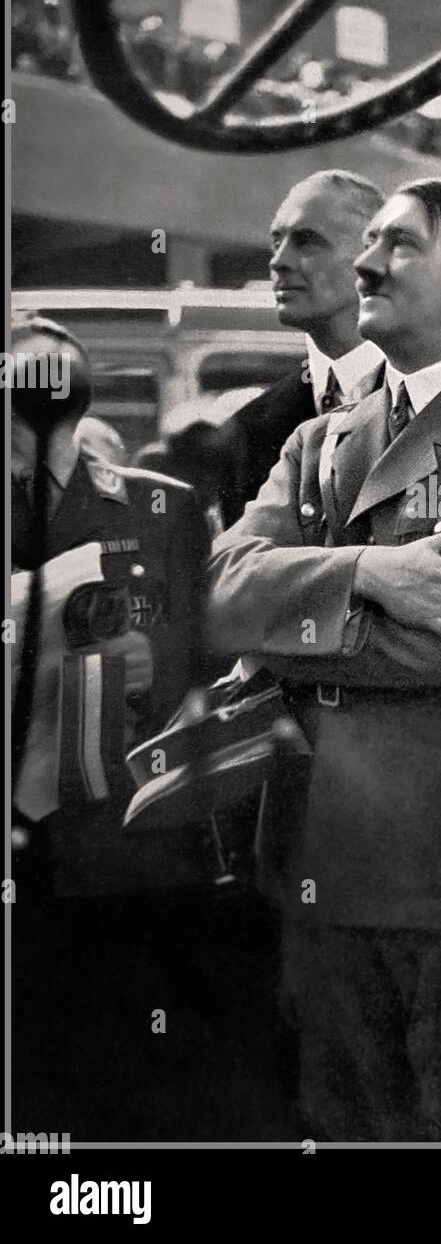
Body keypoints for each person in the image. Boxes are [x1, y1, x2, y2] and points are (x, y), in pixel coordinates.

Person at [207, 178, 441, 1141]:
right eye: (367, 242)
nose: (366, 264)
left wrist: (286, 619)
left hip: (431, 869)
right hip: (304, 854)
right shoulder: (318, 439)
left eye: (399, 245)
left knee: (430, 1123)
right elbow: (213, 596)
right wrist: (372, 567)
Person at [8, 314, 223, 1140]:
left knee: (132, 1079)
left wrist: (146, 676)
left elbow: (203, 668)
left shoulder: (162, 510)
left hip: (126, 847)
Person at [219, 169, 387, 526]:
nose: (278, 260)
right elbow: (247, 570)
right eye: (275, 241)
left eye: (306, 241)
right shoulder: (249, 430)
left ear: (373, 255)